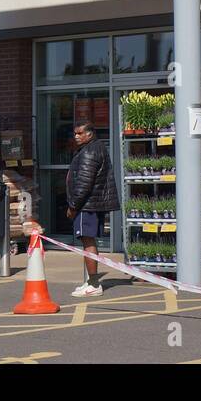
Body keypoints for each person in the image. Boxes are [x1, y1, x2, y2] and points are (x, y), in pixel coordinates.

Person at [65, 121, 119, 298]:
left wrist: (73, 206)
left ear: (90, 134)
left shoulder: (90, 151)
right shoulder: (94, 148)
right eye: (75, 133)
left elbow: (84, 184)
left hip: (87, 205)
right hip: (91, 204)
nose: (76, 136)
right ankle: (90, 282)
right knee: (88, 242)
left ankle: (94, 284)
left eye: (80, 133)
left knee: (88, 243)